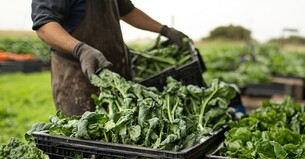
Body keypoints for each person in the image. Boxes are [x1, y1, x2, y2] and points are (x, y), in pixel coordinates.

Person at [31, 0, 188, 117]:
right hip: (78, 79)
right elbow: (45, 25)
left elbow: (128, 11)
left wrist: (164, 30)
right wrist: (80, 49)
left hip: (117, 76)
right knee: (86, 145)